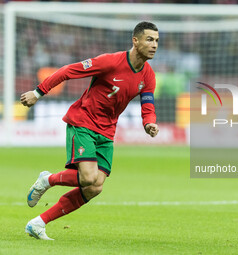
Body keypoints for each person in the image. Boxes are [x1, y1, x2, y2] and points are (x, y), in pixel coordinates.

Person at [20, 21, 159, 240]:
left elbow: (148, 105)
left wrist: (149, 122)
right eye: (149, 39)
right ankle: (48, 180)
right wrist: (38, 92)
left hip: (107, 132)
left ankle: (38, 223)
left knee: (95, 187)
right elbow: (68, 71)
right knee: (87, 177)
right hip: (83, 121)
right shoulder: (110, 62)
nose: (154, 45)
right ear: (135, 40)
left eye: (157, 41)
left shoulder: (148, 75)